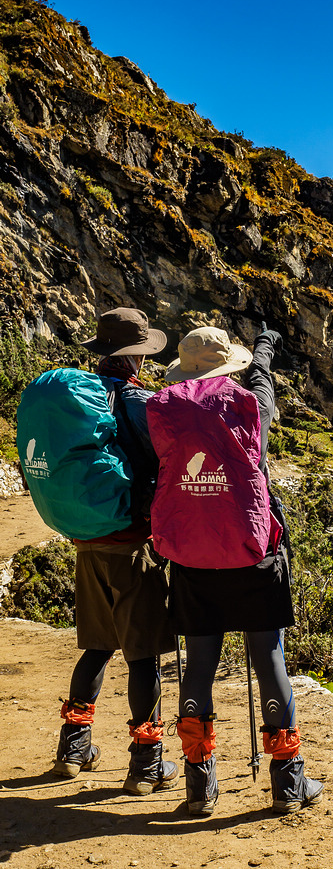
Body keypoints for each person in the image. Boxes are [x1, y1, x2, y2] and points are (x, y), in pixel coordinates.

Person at [146, 324, 323, 816]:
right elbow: (262, 374)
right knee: (268, 656)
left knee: (198, 663)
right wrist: (267, 342)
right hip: (252, 553)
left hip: (190, 553)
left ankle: (200, 786)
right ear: (230, 365)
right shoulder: (250, 403)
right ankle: (289, 781)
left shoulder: (164, 410)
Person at [52, 307, 178, 796]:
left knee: (98, 645)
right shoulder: (140, 404)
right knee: (143, 656)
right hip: (131, 544)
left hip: (89, 541)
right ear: (135, 359)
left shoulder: (81, 401)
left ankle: (73, 746)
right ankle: (147, 763)